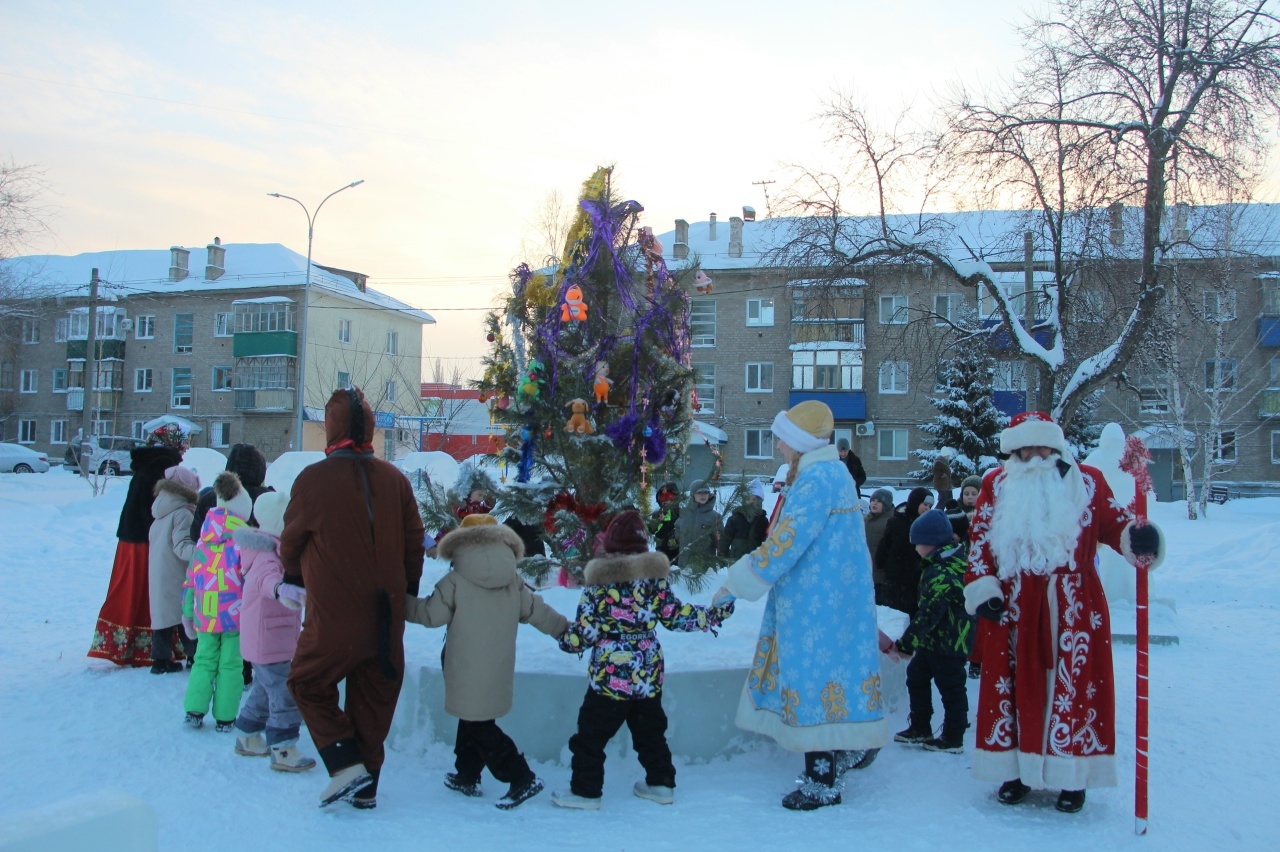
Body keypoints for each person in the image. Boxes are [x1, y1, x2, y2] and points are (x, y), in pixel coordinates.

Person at [964, 411, 1164, 814]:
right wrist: (983, 587)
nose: (1033, 455)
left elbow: (1114, 524)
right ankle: (1015, 773)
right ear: (1013, 450)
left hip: (1075, 605)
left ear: (1056, 447)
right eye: (1023, 449)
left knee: (1072, 690)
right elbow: (980, 541)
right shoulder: (995, 484)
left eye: (1041, 447)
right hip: (1014, 604)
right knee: (1018, 689)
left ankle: (1072, 778)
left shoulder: (1088, 481)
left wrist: (1136, 537)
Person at [715, 401, 887, 810]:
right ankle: (852, 744)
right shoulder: (833, 473)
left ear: (798, 442)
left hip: (816, 605)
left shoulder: (817, 480)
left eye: (781, 439)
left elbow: (784, 544)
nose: (777, 447)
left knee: (812, 681)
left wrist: (734, 584)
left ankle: (821, 781)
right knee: (837, 676)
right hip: (835, 597)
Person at [282, 387, 425, 810]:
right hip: (387, 614)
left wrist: (293, 576)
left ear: (331, 427)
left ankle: (345, 766)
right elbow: (414, 543)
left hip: (334, 614)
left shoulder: (313, 479)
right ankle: (366, 788)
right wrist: (406, 594)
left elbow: (291, 542)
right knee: (374, 696)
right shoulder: (396, 480)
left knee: (306, 680)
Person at [552, 511, 733, 810]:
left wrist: (565, 641)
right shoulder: (654, 583)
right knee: (650, 731)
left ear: (609, 547)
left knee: (591, 735)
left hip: (609, 678)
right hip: (648, 674)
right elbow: (675, 617)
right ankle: (660, 783)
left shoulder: (598, 586)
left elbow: (585, 633)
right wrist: (711, 616)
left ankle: (586, 791)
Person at [404, 513, 567, 810]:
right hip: (498, 664)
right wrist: (565, 631)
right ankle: (467, 774)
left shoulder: (455, 579)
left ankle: (520, 775)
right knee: (476, 717)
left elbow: (430, 615)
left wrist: (397, 602)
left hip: (464, 664)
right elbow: (537, 612)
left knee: (477, 723)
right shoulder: (513, 580)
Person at [232, 490, 316, 773]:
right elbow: (266, 581)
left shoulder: (276, 550)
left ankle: (246, 735)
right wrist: (282, 589)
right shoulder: (265, 555)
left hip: (272, 638)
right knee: (284, 692)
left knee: (264, 689)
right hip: (267, 640)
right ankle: (283, 747)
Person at [88, 428, 184, 666]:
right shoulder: (162, 469)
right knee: (152, 591)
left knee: (129, 590)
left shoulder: (145, 466)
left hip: (130, 540)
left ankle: (125, 643)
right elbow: (159, 509)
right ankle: (149, 647)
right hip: (148, 542)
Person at [892, 509, 974, 754]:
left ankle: (953, 735)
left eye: (917, 543)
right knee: (916, 677)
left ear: (931, 543)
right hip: (933, 641)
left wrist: (907, 643)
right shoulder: (938, 563)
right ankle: (920, 726)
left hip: (950, 641)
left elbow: (929, 612)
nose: (915, 548)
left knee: (951, 687)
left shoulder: (945, 572)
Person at [182, 471, 252, 730]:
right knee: (231, 665)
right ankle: (225, 716)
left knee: (204, 660)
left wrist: (188, 612)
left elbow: (192, 579)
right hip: (235, 616)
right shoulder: (244, 542)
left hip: (206, 614)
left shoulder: (203, 541)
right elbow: (250, 580)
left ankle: (194, 710)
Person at [147, 465, 200, 674]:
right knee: (185, 615)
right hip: (177, 573)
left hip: (159, 571)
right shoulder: (183, 514)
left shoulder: (160, 511)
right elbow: (182, 547)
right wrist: (202, 552)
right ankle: (193, 657)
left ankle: (160, 661)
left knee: (163, 617)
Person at [189, 443, 270, 540]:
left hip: (217, 554)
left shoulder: (210, 498)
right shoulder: (269, 500)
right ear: (260, 470)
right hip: (258, 554)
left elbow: (195, 535)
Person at [875, 487, 935, 615]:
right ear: (915, 502)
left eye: (930, 506)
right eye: (925, 504)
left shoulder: (927, 525)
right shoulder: (897, 522)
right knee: (895, 618)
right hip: (896, 581)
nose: (927, 508)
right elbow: (884, 546)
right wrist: (882, 563)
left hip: (915, 582)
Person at [672, 480, 721, 566]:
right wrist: (678, 539)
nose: (703, 495)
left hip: (705, 566)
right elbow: (677, 527)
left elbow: (720, 542)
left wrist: (721, 559)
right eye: (699, 492)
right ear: (692, 495)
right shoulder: (685, 513)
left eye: (706, 492)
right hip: (684, 564)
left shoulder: (714, 516)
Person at [720, 479, 769, 559]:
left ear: (759, 501)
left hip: (756, 559)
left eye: (754, 499)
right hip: (737, 558)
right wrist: (723, 553)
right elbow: (726, 537)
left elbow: (766, 540)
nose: (750, 502)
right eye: (748, 499)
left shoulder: (763, 520)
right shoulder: (735, 518)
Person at [864, 488, 895, 602]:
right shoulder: (865, 521)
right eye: (873, 500)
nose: (874, 503)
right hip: (867, 572)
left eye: (879, 501)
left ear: (886, 505)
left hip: (881, 575)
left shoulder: (890, 522)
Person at [646, 482, 681, 564]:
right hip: (662, 549)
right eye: (662, 498)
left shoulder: (682, 513)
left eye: (669, 497)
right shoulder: (657, 515)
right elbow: (651, 529)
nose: (666, 501)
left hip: (680, 549)